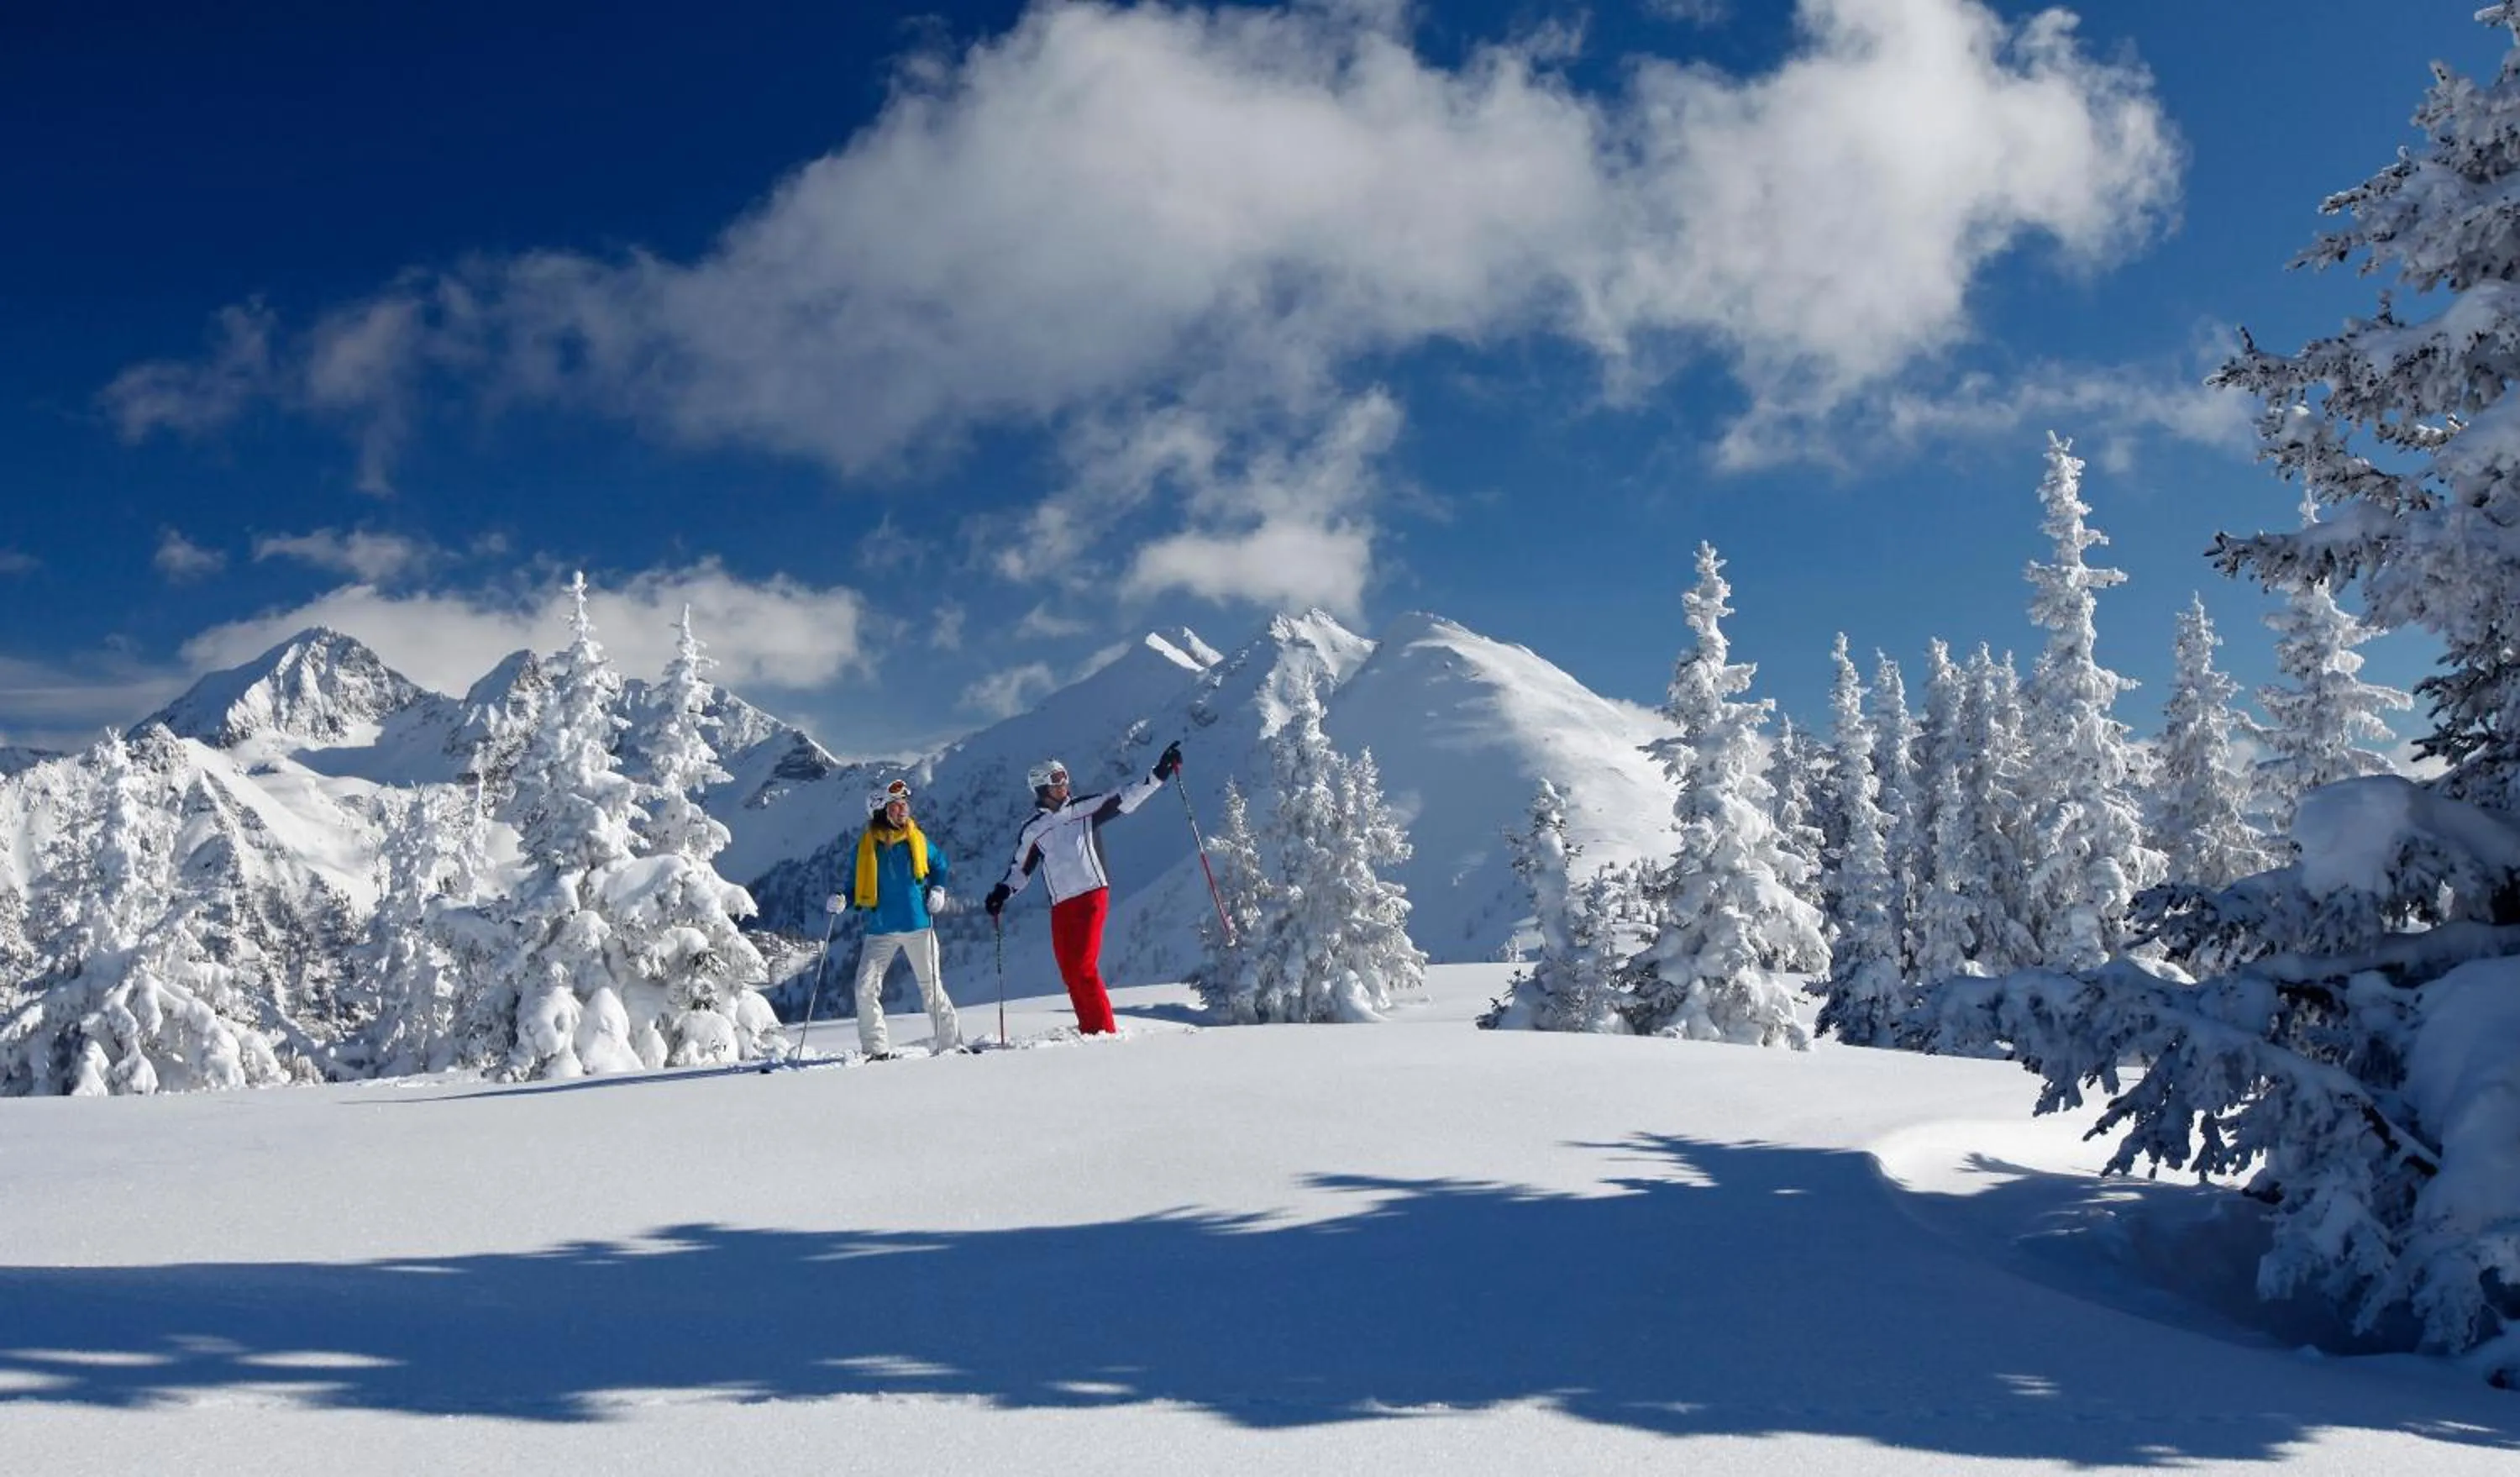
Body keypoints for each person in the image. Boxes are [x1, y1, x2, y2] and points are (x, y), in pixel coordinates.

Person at [984, 741, 1182, 1036]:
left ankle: (1104, 1032)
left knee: (1083, 967)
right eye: (1056, 779)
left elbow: (1127, 797)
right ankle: (1090, 1030)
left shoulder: (1085, 809)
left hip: (1092, 894)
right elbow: (1020, 870)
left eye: (1064, 777)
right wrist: (1002, 892)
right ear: (1040, 787)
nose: (1063, 784)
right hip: (1062, 904)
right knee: (1069, 972)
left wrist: (1159, 774)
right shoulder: (1033, 830)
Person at [827, 777, 962, 1059]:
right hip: (881, 929)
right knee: (864, 988)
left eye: (904, 805)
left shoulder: (917, 839)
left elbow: (940, 864)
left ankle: (952, 1046)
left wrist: (938, 888)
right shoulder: (866, 848)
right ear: (880, 812)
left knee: (931, 989)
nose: (904, 811)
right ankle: (876, 1050)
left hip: (919, 925)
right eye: (897, 806)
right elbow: (854, 887)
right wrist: (843, 899)